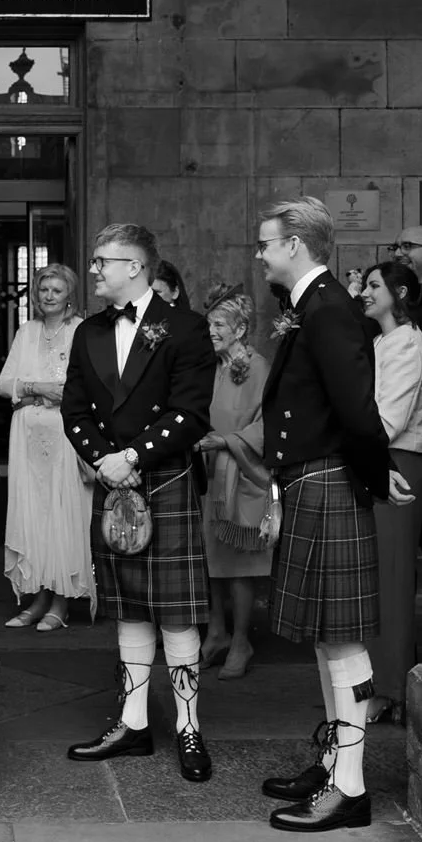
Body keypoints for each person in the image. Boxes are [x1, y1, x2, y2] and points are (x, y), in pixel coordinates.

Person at [254, 198, 412, 834]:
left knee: (342, 635)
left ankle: (350, 786)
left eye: (266, 243)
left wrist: (376, 477)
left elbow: (355, 409)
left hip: (327, 480)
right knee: (327, 633)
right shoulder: (310, 308)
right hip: (309, 479)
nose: (260, 253)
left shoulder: (326, 311)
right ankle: (332, 762)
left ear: (295, 245)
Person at [61, 224, 216, 783]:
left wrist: (133, 455)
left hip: (163, 478)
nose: (95, 270)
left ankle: (188, 726)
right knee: (129, 607)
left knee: (176, 612)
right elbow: (74, 410)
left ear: (136, 267)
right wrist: (104, 458)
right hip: (112, 480)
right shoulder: (88, 333)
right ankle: (131, 724)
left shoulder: (186, 329)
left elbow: (191, 412)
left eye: (103, 261)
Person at [0, 263, 94, 630]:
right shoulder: (27, 331)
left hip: (67, 436)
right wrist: (37, 387)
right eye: (43, 290)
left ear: (70, 294)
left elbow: (92, 385)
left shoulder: (82, 330)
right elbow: (5, 384)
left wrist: (61, 394)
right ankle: (37, 597)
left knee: (62, 514)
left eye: (56, 290)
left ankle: (61, 601)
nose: (48, 296)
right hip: (26, 437)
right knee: (32, 513)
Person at [361, 261, 422, 724]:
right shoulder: (381, 340)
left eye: (372, 285)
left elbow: (389, 419)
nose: (363, 292)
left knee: (390, 578)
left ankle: (392, 689)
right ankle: (376, 682)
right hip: (375, 459)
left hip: (396, 462)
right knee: (372, 579)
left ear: (398, 291)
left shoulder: (408, 342)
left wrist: (351, 447)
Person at [195, 286, 271, 680]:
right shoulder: (216, 366)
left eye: (219, 324)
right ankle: (217, 631)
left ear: (240, 329)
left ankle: (241, 639)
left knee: (241, 564)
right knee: (212, 559)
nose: (212, 331)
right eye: (209, 323)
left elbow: (268, 423)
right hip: (211, 471)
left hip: (242, 473)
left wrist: (227, 441)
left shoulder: (257, 367)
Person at [390, 226, 422, 622]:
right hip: (415, 437)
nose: (400, 251)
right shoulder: (409, 309)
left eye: (408, 246)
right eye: (398, 245)